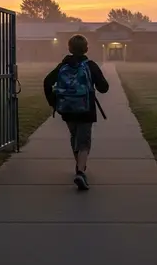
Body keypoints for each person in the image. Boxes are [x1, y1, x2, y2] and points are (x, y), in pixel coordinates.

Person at [43, 34, 109, 190]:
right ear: (86, 48)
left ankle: (79, 166)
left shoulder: (62, 66)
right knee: (84, 140)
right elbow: (104, 88)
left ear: (70, 48)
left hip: (67, 108)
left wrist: (53, 101)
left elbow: (47, 82)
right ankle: (80, 171)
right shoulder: (90, 65)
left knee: (74, 136)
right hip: (86, 109)